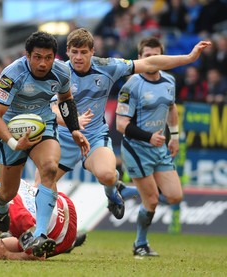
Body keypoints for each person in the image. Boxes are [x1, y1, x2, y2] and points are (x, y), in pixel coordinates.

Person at [49, 28, 210, 221]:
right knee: (42, 187)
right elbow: (53, 109)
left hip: (93, 137)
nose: (78, 57)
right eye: (74, 52)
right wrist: (73, 122)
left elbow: (150, 62)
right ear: (67, 51)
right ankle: (46, 231)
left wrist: (188, 58)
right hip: (63, 138)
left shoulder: (108, 66)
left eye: (84, 52)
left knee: (108, 175)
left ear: (93, 51)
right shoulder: (59, 72)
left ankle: (113, 193)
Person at [0, 31, 90, 258]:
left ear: (55, 56)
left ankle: (41, 234)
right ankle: (1, 204)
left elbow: (66, 101)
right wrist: (14, 143)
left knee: (50, 168)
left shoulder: (62, 71)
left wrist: (74, 129)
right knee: (7, 192)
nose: (43, 63)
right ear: (28, 55)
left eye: (48, 57)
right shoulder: (12, 74)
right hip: (12, 130)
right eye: (37, 57)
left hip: (43, 125)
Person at [115, 37, 185, 257]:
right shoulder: (131, 85)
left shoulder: (169, 81)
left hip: (159, 148)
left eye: (156, 56)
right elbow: (120, 125)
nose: (152, 60)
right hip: (137, 148)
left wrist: (174, 136)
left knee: (175, 196)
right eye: (147, 56)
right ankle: (140, 244)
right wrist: (148, 137)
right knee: (152, 200)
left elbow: (171, 109)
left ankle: (125, 191)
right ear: (140, 58)